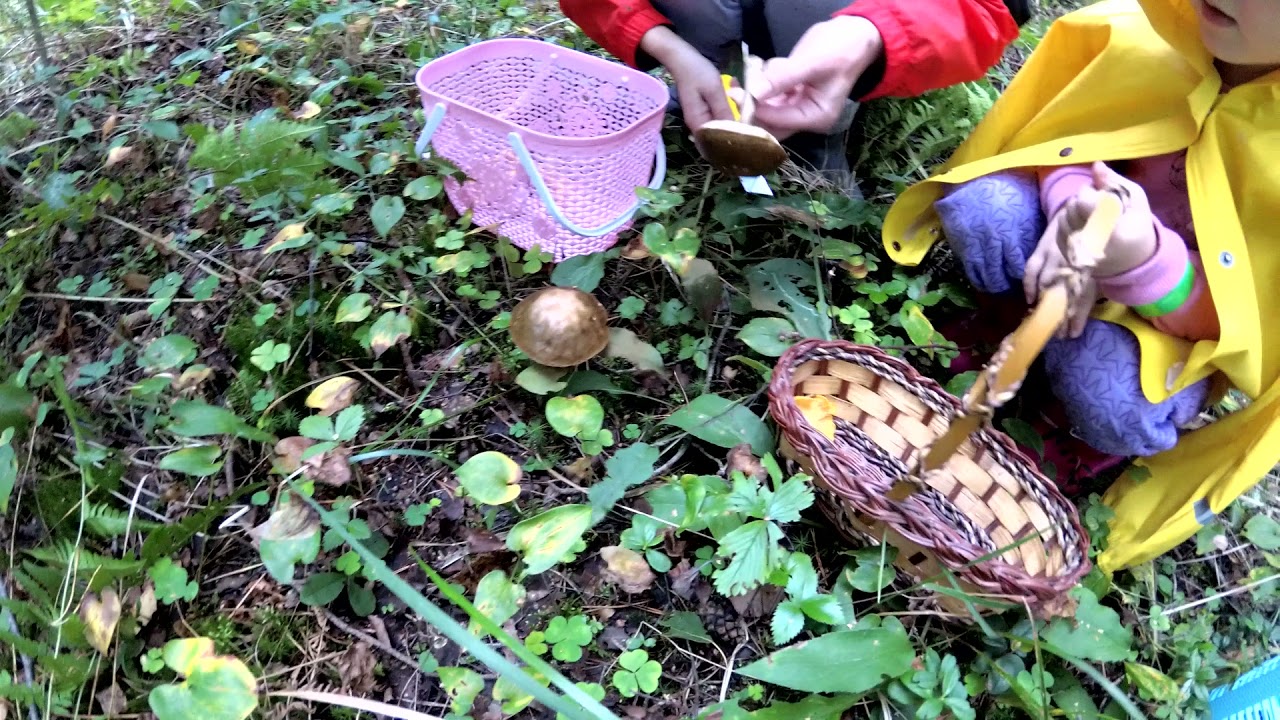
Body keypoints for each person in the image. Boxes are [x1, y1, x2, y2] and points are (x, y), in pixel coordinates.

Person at [879, 0, 1280, 572]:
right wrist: (1075, 209)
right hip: (1068, 237)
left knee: (1113, 397)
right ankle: (998, 327)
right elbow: (1073, 132)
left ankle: (1067, 438)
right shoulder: (1155, 33)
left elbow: (1250, 326)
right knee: (984, 210)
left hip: (1170, 326)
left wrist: (1144, 265)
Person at [559, 0, 1034, 195]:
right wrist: (665, 45)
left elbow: (990, 7)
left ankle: (821, 124)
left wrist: (871, 34)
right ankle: (713, 79)